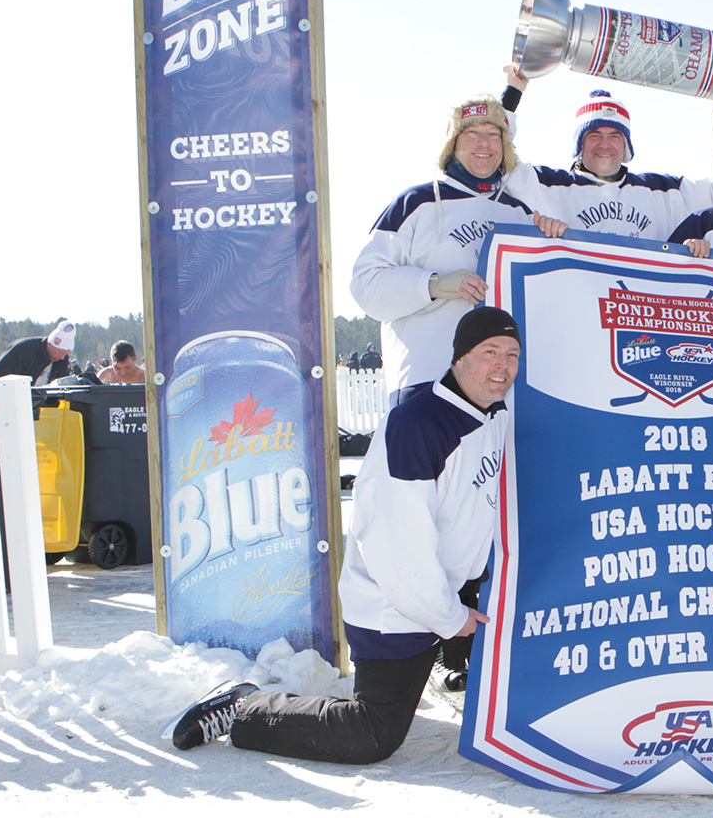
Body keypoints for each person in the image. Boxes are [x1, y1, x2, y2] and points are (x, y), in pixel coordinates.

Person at [169, 306, 522, 763]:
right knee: (370, 734)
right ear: (459, 357)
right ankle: (242, 706)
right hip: (394, 606)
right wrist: (452, 620)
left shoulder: (491, 415)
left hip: (441, 597)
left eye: (512, 354)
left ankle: (447, 661)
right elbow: (399, 548)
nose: (502, 365)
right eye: (489, 351)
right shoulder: (419, 425)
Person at [350, 94, 563, 400]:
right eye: (472, 134)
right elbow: (365, 284)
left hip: (500, 394)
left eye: (494, 135)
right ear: (453, 143)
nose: (484, 144)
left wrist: (557, 241)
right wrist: (433, 284)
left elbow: (547, 298)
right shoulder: (416, 204)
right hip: (427, 382)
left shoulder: (521, 215)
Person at [501, 69, 713, 240]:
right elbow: (499, 160)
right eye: (594, 134)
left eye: (614, 135)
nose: (604, 144)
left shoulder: (663, 191)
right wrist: (512, 94)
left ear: (626, 146)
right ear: (579, 144)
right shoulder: (548, 186)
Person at [0, 320, 77, 387]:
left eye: (66, 353)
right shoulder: (23, 350)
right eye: (60, 352)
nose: (62, 357)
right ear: (49, 344)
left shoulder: (61, 362)